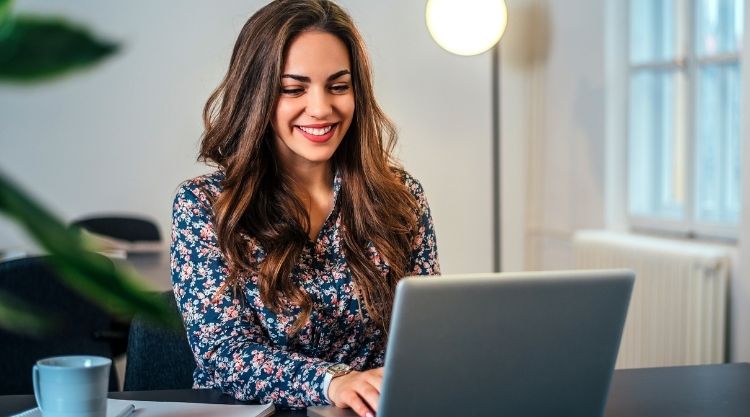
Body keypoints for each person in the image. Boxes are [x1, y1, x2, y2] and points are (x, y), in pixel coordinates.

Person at [170, 1, 440, 415]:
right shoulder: (206, 205)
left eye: (338, 86)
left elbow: (426, 338)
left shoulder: (402, 198)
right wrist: (332, 381)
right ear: (256, 95)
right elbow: (224, 353)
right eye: (293, 89)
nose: (321, 108)